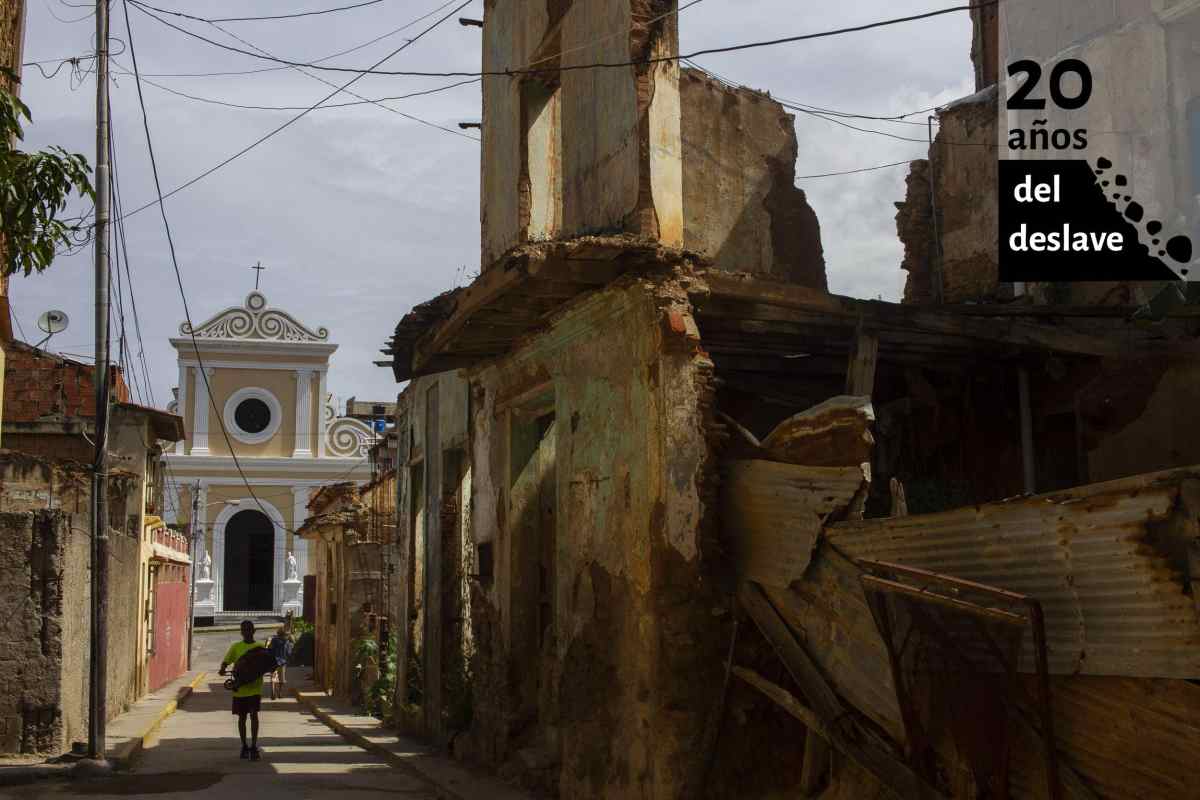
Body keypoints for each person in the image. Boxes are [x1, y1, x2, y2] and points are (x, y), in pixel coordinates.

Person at [219, 619, 265, 760]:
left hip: (255, 688)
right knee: (242, 717)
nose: (246, 633)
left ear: (254, 631)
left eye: (249, 630)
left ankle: (254, 746)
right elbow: (226, 661)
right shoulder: (236, 647)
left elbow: (266, 663)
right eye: (244, 630)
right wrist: (222, 669)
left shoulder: (260, 647)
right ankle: (244, 745)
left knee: (254, 715)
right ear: (241, 632)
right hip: (240, 688)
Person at [267, 626, 293, 700]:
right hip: (282, 663)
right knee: (282, 679)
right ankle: (280, 692)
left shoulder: (274, 640)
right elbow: (289, 653)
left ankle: (273, 691)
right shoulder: (287, 643)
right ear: (285, 635)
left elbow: (269, 649)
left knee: (273, 677)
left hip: (273, 662)